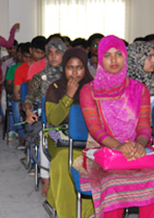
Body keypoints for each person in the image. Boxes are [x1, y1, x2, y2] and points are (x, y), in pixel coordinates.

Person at [78, 35, 154, 218]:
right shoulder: (89, 91)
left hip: (137, 151)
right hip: (103, 152)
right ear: (99, 59)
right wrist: (120, 146)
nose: (114, 60)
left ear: (125, 56)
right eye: (107, 55)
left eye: (118, 54)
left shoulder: (140, 90)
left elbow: (145, 126)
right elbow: (95, 129)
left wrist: (139, 144)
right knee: (113, 183)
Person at [45, 47, 94, 218]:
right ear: (64, 68)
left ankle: (88, 211)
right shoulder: (56, 87)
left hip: (88, 138)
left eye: (79, 67)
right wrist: (68, 96)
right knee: (64, 160)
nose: (74, 72)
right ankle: (68, 213)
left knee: (91, 162)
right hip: (58, 136)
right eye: (70, 68)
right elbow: (53, 120)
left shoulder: (93, 87)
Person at [23, 39, 67, 194]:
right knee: (46, 135)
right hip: (47, 122)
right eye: (50, 53)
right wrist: (28, 111)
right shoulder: (39, 78)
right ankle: (46, 178)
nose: (53, 57)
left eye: (58, 53)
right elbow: (28, 99)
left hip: (68, 122)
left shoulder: (71, 77)